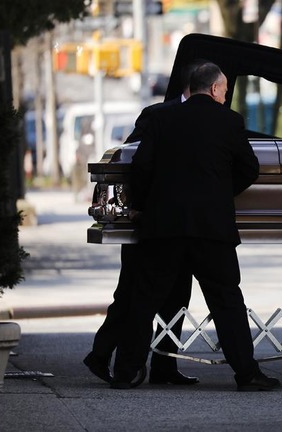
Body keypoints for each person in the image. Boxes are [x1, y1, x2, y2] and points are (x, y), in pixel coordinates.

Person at [111, 62, 278, 391]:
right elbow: (250, 168)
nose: (225, 96)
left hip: (163, 225)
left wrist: (149, 204)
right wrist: (218, 193)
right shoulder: (229, 121)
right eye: (225, 90)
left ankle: (127, 372)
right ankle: (246, 373)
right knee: (226, 301)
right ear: (215, 89)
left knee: (144, 300)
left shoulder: (160, 117)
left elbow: (141, 167)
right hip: (211, 228)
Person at [83, 59, 208, 386]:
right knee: (131, 294)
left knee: (178, 293)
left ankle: (165, 365)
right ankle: (101, 354)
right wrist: (146, 209)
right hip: (149, 221)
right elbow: (134, 163)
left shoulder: (206, 116)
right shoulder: (155, 115)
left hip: (178, 221)